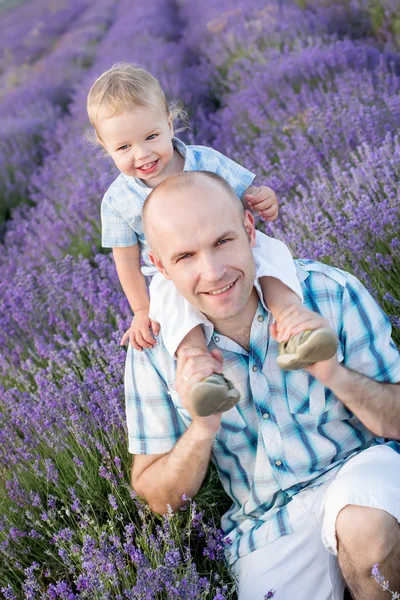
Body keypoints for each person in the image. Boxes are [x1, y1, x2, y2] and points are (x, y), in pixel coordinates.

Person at [126, 170, 400, 600]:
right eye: (185, 257)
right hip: (265, 527)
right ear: (160, 267)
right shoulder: (156, 353)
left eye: (222, 242)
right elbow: (158, 497)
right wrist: (202, 429)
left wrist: (334, 375)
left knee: (368, 531)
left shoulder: (329, 291)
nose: (213, 272)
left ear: (249, 230)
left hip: (359, 470)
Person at [86, 63, 338, 416]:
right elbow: (126, 260)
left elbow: (247, 195)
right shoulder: (117, 200)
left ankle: (294, 323)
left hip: (231, 248)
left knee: (271, 253)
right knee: (169, 305)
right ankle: (200, 372)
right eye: (124, 147)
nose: (142, 154)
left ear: (169, 124)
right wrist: (141, 312)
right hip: (173, 272)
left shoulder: (203, 160)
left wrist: (262, 196)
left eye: (151, 137)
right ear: (105, 148)